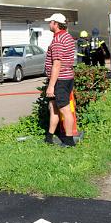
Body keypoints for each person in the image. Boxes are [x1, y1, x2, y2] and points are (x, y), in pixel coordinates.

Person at [43, 13, 79, 147]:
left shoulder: (58, 40)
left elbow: (57, 64)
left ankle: (69, 141)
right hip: (67, 77)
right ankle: (49, 137)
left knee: (65, 110)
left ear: (56, 24)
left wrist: (51, 85)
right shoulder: (68, 37)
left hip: (60, 80)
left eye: (50, 22)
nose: (49, 24)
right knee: (53, 107)